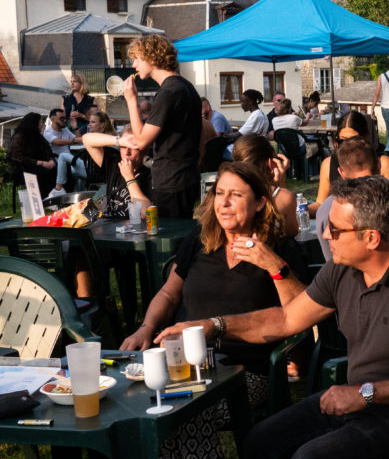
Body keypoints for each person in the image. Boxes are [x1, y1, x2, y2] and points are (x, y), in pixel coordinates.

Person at [157, 176, 389, 459]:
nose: (325, 233)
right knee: (259, 440)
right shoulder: (342, 268)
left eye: (336, 229)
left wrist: (365, 393)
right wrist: (214, 326)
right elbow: (287, 319)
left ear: (371, 238)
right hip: (359, 399)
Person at [124, 162, 308, 459]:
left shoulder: (278, 248)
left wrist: (273, 265)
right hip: (184, 366)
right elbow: (170, 293)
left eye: (235, 195)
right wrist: (146, 328)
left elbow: (300, 312)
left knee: (184, 413)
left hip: (244, 372)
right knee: (135, 406)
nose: (223, 203)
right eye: (219, 193)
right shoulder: (199, 241)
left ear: (260, 202)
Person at [123, 34, 202, 219]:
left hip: (172, 179)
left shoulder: (169, 92)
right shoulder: (185, 86)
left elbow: (142, 141)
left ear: (151, 57)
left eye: (137, 59)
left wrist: (131, 100)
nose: (134, 65)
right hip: (185, 175)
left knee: (166, 240)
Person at [309, 112, 389, 219]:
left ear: (366, 136)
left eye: (354, 140)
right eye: (343, 140)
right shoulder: (328, 164)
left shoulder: (383, 163)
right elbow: (320, 203)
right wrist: (300, 210)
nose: (348, 146)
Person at [233, 134, 299, 238]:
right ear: (270, 162)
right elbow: (292, 232)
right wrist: (280, 187)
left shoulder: (224, 193)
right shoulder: (283, 198)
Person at [81, 127, 152, 219]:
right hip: (108, 226)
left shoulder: (151, 173)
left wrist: (129, 177)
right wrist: (119, 140)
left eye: (132, 147)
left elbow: (145, 213)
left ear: (144, 150)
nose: (127, 152)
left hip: (132, 228)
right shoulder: (114, 164)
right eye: (123, 146)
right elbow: (86, 139)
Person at [7, 112, 57, 197]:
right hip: (22, 169)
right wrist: (40, 162)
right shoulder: (19, 137)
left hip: (39, 165)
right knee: (44, 173)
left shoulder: (38, 137)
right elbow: (18, 157)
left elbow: (47, 150)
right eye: (40, 122)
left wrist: (51, 160)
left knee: (58, 169)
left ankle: (56, 196)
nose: (42, 125)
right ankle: (43, 198)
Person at [44, 108, 83, 197]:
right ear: (53, 119)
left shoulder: (65, 130)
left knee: (81, 171)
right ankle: (58, 192)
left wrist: (75, 127)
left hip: (69, 159)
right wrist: (74, 140)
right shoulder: (48, 132)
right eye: (62, 118)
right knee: (64, 157)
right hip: (57, 159)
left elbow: (79, 140)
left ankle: (78, 195)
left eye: (65, 118)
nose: (65, 120)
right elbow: (57, 142)